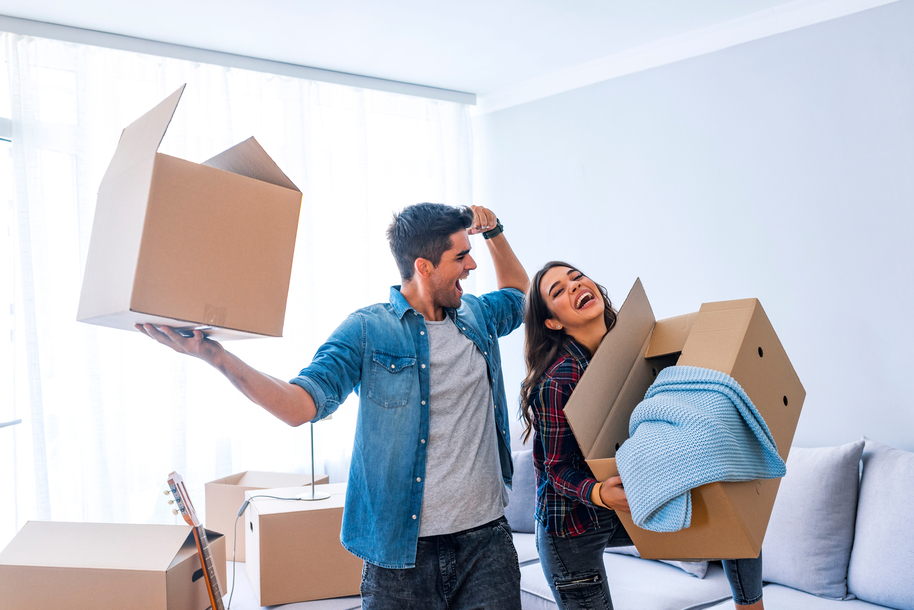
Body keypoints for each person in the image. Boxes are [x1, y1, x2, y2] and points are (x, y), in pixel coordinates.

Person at [137, 203, 529, 610]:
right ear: (424, 267)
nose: (472, 266)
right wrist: (217, 357)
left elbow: (518, 295)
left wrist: (495, 231)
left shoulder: (477, 316)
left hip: (487, 544)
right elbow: (298, 405)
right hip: (398, 556)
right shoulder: (367, 330)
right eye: (461, 256)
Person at [519, 260, 765, 610]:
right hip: (572, 525)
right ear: (553, 322)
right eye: (558, 291)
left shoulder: (634, 344)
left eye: (576, 277)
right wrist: (600, 492)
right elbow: (556, 470)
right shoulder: (558, 381)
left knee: (735, 507)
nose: (574, 286)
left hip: (630, 495)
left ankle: (751, 607)